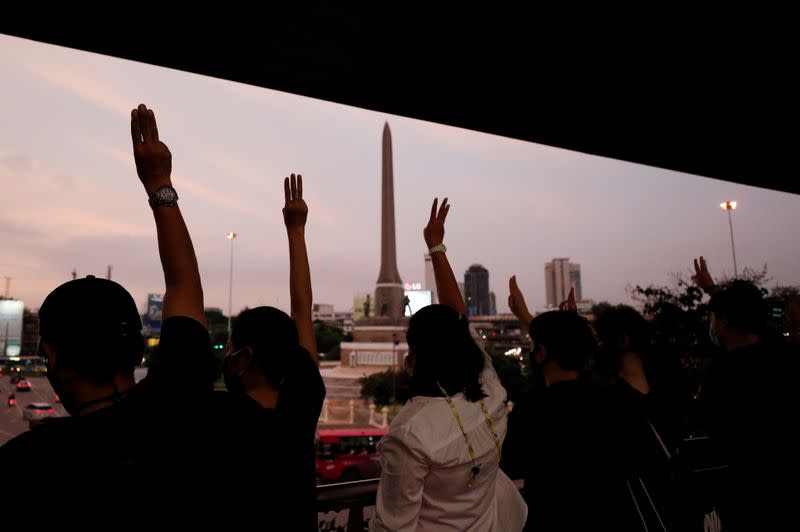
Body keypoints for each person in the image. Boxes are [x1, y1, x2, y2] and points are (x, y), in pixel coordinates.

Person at [0, 104, 240, 511]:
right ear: (135, 350)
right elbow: (185, 287)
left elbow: (184, 291)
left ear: (50, 355)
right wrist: (159, 184)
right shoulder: (182, 406)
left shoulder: (29, 462)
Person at [370, 198, 526, 532]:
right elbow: (460, 321)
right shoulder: (492, 391)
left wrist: (436, 247)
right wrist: (436, 246)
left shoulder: (412, 433)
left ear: (415, 355)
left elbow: (395, 527)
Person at [221, 173, 325, 532]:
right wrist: (297, 231)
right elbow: (303, 312)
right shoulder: (303, 401)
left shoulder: (222, 419)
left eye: (230, 349)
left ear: (246, 357)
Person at [503, 277, 646, 532]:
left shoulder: (533, 408)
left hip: (552, 519)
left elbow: (511, 464)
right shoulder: (616, 396)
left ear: (542, 353)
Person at [691, 257, 799, 530]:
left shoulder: (722, 372)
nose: (711, 324)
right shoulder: (783, 355)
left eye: (712, 317)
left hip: (749, 493)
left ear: (724, 320)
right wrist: (714, 291)